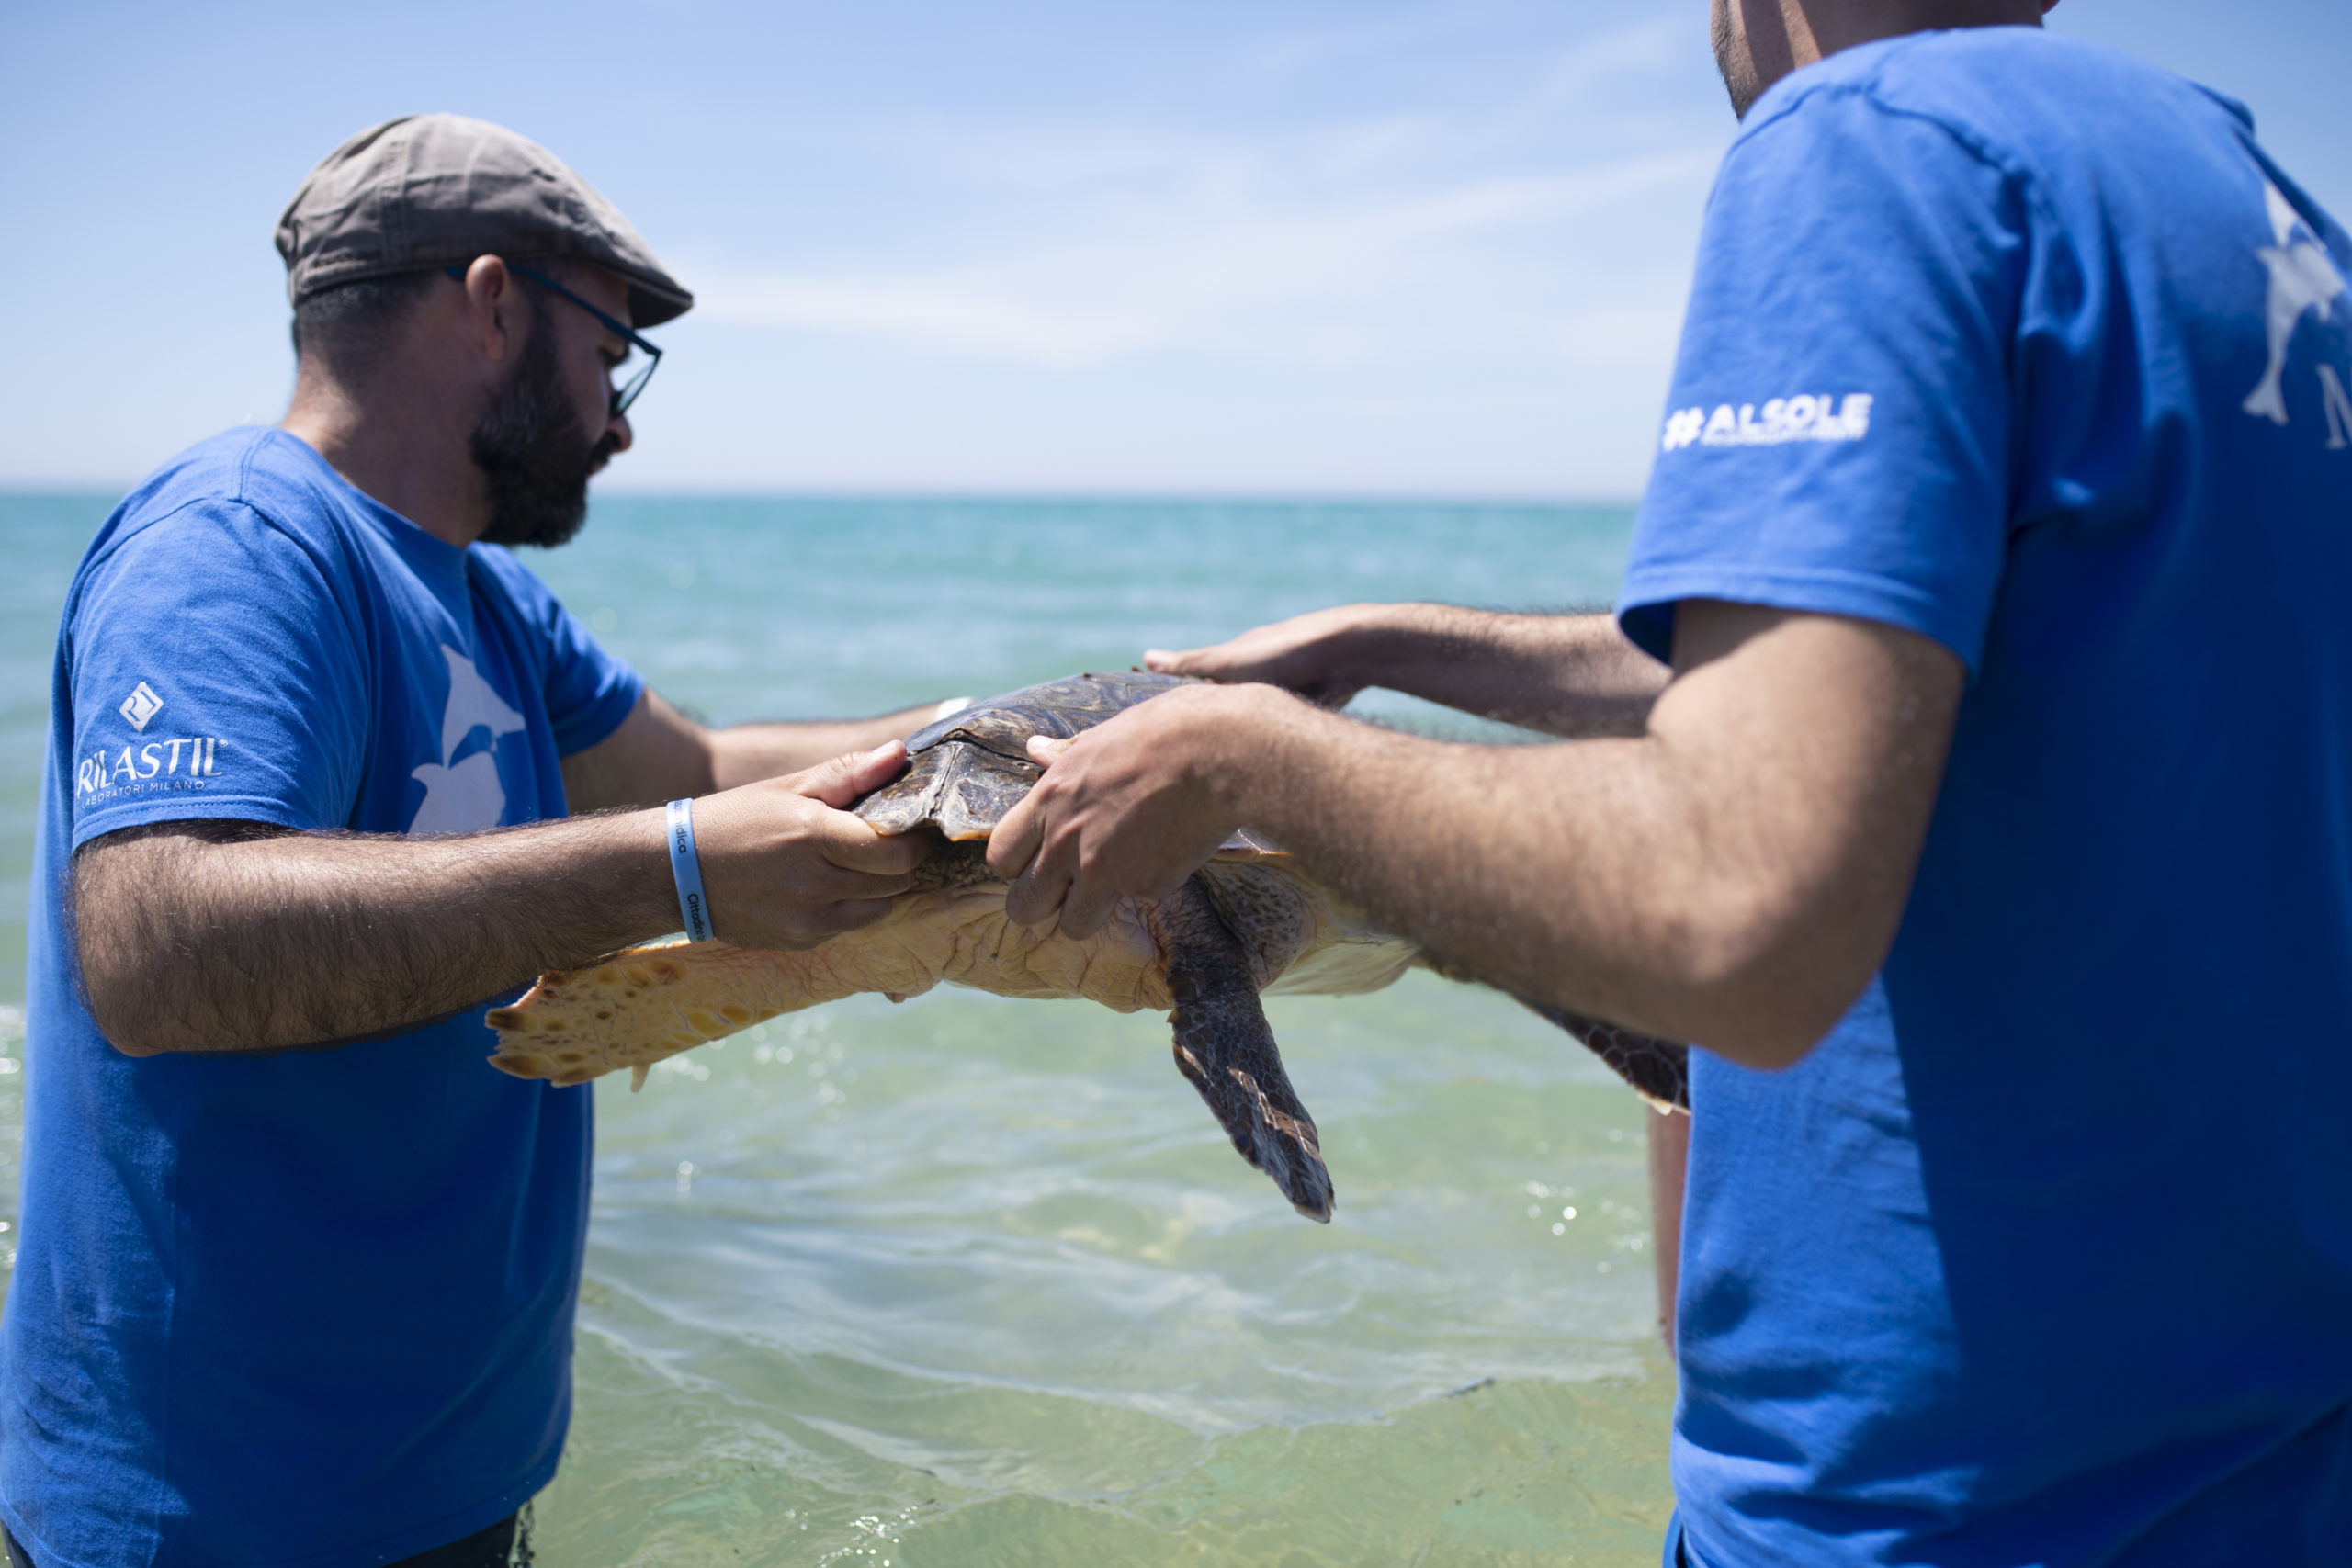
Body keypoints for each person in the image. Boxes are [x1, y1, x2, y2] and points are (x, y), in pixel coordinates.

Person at [984, 1, 2352, 1562]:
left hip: (1955, 1495)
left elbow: (1736, 911)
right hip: (2267, 1451)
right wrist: (1409, 644)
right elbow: (1907, 655)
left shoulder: (1872, 142)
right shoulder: (2238, 201)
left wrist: (1254, 762)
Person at [4, 114, 943, 1568]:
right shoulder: (235, 545)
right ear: (495, 302)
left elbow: (692, 766)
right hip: (223, 1508)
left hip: (449, 1476)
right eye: (610, 357)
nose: (622, 419)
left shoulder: (487, 599)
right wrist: (668, 865)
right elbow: (155, 945)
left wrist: (1018, 737)